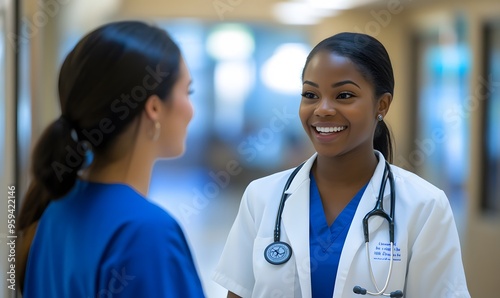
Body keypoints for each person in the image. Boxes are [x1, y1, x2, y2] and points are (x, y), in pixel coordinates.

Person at [212, 32, 470, 297]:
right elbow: (239, 292)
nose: (322, 109)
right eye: (310, 94)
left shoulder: (424, 206)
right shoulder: (262, 197)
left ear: (382, 105)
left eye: (344, 95)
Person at [17, 20, 205, 297]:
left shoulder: (54, 211)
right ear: (153, 107)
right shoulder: (147, 233)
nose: (191, 110)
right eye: (187, 92)